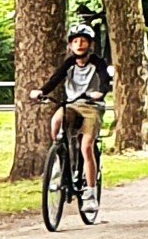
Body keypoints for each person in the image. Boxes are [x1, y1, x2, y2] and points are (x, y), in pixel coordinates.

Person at [35, 25, 111, 210]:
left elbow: (104, 80)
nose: (79, 44)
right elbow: (55, 79)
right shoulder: (69, 63)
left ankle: (90, 193)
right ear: (70, 45)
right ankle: (58, 160)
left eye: (83, 41)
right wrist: (41, 91)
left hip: (92, 107)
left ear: (90, 44)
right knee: (56, 121)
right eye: (75, 41)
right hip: (72, 105)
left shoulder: (98, 63)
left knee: (86, 147)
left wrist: (100, 93)